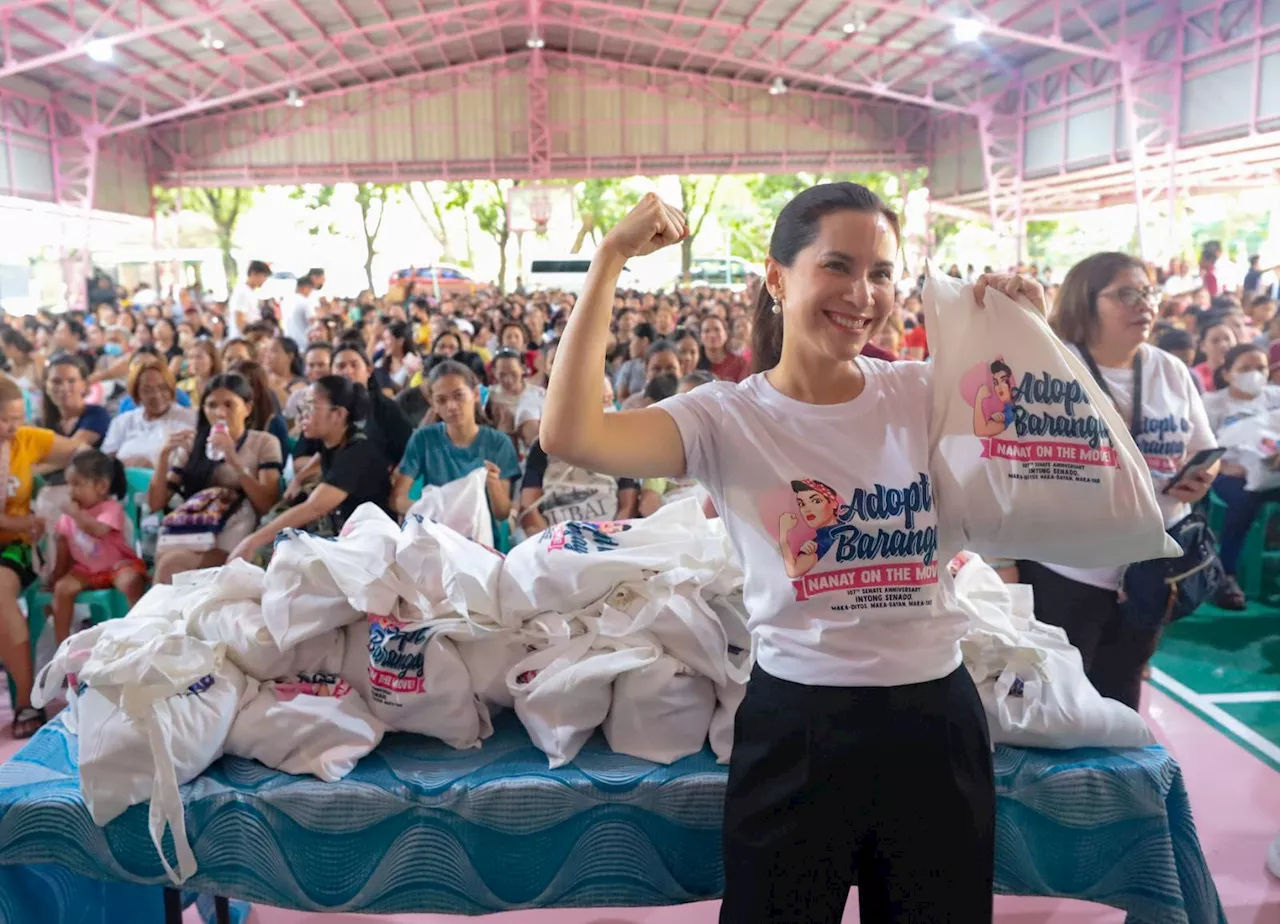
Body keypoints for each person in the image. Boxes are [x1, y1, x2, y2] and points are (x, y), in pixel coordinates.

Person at [540, 188, 1051, 922]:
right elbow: (573, 435)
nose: (862, 294)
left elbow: (1035, 462)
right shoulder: (726, 417)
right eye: (837, 266)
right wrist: (609, 259)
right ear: (778, 278)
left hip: (934, 725)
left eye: (881, 272)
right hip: (799, 728)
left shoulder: (924, 395)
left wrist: (1022, 333)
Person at [1019, 252, 1217, 710]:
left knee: (1124, 688)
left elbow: (1200, 450)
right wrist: (1004, 562)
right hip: (1067, 567)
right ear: (1085, 301)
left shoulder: (1169, 369)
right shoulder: (1051, 367)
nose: (1143, 304)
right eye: (1125, 293)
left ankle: (1115, 784)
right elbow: (1013, 470)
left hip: (1151, 567)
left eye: (1147, 292)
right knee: (1056, 698)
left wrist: (1202, 479)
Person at [0, 376, 88, 737]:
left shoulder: (26, 440)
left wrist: (43, 474)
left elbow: (79, 450)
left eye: (17, 418)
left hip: (15, 545)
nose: (12, 428)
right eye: (4, 419)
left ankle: (25, 700)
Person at [230, 376, 391, 562]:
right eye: (303, 406)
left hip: (369, 549)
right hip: (343, 533)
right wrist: (299, 478)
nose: (302, 415)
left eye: (311, 406)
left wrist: (252, 542)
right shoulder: (334, 440)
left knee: (272, 550)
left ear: (338, 414)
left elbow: (314, 507)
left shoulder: (358, 452)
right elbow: (321, 456)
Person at [149, 373, 283, 584]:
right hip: (196, 533)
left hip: (240, 539)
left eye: (229, 405)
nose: (220, 412)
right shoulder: (195, 445)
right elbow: (156, 502)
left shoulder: (264, 443)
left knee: (171, 563)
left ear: (247, 408)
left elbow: (268, 505)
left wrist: (234, 460)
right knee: (166, 559)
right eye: (212, 405)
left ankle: (159, 617)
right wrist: (164, 456)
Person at [392, 360, 520, 532]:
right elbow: (397, 500)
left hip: (480, 541)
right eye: (441, 400)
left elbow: (502, 513)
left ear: (475, 395)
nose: (451, 406)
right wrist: (434, 512)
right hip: (436, 536)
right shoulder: (423, 439)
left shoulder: (498, 443)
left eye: (459, 396)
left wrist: (493, 484)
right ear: (433, 405)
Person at [1201, 342, 1280, 609]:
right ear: (1227, 373)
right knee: (1244, 501)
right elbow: (1199, 447)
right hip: (1231, 474)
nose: (1254, 374)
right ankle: (1227, 575)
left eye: (1261, 368)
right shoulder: (1213, 404)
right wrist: (1222, 467)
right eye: (1245, 368)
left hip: (1274, 472)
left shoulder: (1275, 397)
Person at [49, 450, 147, 644]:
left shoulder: (110, 508)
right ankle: (63, 647)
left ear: (102, 487)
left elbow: (99, 530)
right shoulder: (70, 515)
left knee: (130, 582)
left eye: (77, 484)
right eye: (69, 484)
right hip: (86, 570)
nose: (70, 491)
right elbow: (64, 547)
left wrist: (76, 515)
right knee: (62, 589)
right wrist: (56, 576)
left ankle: (140, 630)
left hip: (117, 565)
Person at [519, 374, 638, 533]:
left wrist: (611, 540)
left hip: (608, 535)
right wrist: (552, 541)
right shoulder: (544, 446)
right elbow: (529, 506)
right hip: (556, 537)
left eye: (608, 400)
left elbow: (628, 504)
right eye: (600, 401)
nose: (605, 407)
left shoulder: (619, 443)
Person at [101, 356, 197, 468]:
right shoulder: (122, 421)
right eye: (147, 390)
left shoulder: (190, 419)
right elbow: (105, 463)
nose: (156, 395)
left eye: (162, 388)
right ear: (137, 394)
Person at [1190, 318, 1237, 392]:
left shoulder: (1245, 371)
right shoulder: (1195, 376)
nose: (1223, 345)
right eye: (1215, 341)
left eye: (1227, 339)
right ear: (1202, 346)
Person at [699, 315, 750, 382]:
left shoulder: (739, 363)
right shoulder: (695, 363)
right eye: (706, 331)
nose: (712, 335)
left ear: (726, 333)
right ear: (700, 336)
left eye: (717, 330)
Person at [229, 260, 270, 338]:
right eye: (264, 276)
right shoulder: (242, 292)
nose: (265, 280)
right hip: (242, 340)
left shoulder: (251, 292)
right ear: (253, 273)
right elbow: (240, 322)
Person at [176, 339, 221, 406]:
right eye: (191, 357)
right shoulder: (181, 387)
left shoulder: (223, 386)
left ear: (212, 360)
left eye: (199, 357)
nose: (194, 362)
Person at [284, 274, 314, 346]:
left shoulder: (285, 301)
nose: (310, 292)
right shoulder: (304, 302)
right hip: (303, 342)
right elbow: (312, 322)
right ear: (306, 287)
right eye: (310, 289)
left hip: (288, 341)